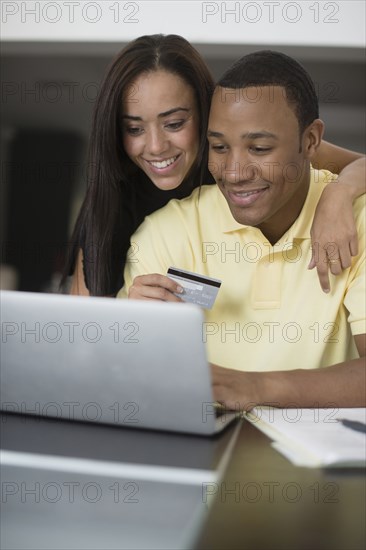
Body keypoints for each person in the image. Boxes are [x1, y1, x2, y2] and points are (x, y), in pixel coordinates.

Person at [118, 50, 365, 408]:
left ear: (310, 141)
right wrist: (135, 334)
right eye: (219, 147)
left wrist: (253, 388)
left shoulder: (355, 218)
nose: (234, 173)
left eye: (260, 148)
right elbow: (129, 382)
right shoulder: (164, 233)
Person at [63, 34, 365, 297]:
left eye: (174, 123)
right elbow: (88, 334)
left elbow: (359, 163)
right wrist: (138, 316)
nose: (155, 147)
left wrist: (337, 196)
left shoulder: (236, 150)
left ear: (206, 114)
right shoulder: (111, 208)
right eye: (134, 129)